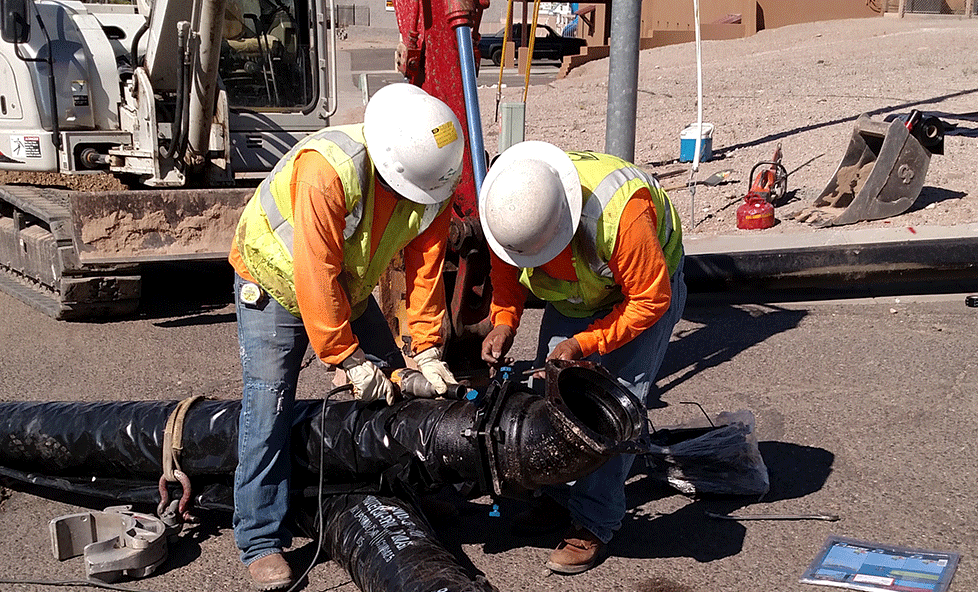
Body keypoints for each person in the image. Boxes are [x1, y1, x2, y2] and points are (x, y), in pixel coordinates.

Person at [228, 83, 464, 590]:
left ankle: (403, 491)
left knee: (397, 387)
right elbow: (315, 272)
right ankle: (259, 537)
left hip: (346, 288)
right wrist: (346, 359)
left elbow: (425, 271)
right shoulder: (328, 170)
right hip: (274, 281)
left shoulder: (432, 181)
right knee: (268, 406)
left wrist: (424, 348)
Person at [479, 140, 686, 575]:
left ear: (563, 228)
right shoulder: (510, 206)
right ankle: (558, 499)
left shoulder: (621, 215)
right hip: (578, 295)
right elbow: (506, 274)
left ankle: (594, 521)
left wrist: (586, 344)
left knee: (612, 409)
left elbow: (648, 301)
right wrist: (503, 322)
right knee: (550, 397)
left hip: (642, 295)